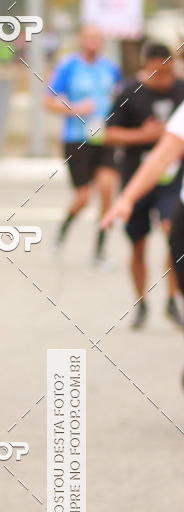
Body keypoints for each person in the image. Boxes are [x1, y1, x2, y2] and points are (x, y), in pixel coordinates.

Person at [103, 43, 184, 328]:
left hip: (174, 179)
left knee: (171, 231)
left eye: (168, 71)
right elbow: (108, 134)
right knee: (138, 244)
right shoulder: (128, 93)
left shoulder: (181, 89)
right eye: (156, 72)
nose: (163, 78)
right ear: (145, 68)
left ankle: (173, 298)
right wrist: (144, 135)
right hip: (137, 175)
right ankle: (142, 302)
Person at [44, 24, 121, 263]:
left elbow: (118, 96)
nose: (93, 42)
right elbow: (48, 101)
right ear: (81, 39)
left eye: (97, 38)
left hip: (104, 138)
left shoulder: (110, 68)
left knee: (108, 191)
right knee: (83, 197)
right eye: (88, 37)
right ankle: (60, 235)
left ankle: (100, 251)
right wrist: (75, 109)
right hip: (76, 139)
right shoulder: (69, 65)